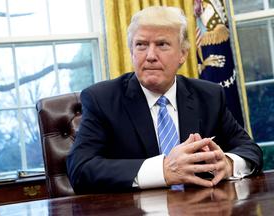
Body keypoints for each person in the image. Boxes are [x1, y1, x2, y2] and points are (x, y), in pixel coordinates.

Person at [66, 6, 263, 195]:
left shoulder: (209, 96)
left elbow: (250, 150)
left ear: (183, 54)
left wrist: (228, 164)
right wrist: (163, 171)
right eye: (141, 45)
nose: (150, 56)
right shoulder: (101, 99)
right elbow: (80, 170)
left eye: (162, 44)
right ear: (131, 53)